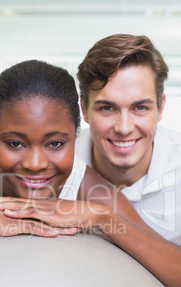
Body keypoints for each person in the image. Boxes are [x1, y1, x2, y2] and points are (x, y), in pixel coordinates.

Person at [0, 60, 180, 287]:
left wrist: (102, 218)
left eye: (54, 143)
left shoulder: (90, 190)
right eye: (15, 144)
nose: (35, 165)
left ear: (76, 136)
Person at [75, 33, 181, 246]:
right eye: (107, 108)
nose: (124, 128)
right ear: (84, 110)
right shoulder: (58, 160)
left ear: (161, 107)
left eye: (140, 107)